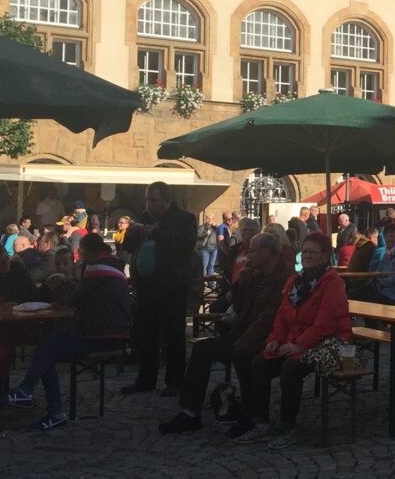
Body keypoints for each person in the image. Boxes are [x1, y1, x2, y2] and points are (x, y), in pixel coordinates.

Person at [159, 233, 288, 434]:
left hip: (268, 337)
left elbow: (269, 317)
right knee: (202, 349)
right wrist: (241, 282)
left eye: (252, 251)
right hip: (245, 332)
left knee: (243, 353)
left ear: (266, 252)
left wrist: (243, 340)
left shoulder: (282, 278)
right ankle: (190, 412)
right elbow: (238, 305)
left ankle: (251, 415)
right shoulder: (256, 275)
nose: (248, 256)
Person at [2, 234, 130, 429]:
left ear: (85, 251)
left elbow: (74, 299)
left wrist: (58, 289)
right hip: (114, 332)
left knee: (46, 350)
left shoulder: (96, 268)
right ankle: (35, 398)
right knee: (48, 348)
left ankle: (40, 400)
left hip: (102, 334)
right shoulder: (112, 266)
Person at [236, 233, 351, 449]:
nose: (306, 255)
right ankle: (259, 422)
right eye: (304, 251)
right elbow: (282, 316)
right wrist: (275, 339)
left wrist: (300, 344)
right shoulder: (295, 281)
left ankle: (288, 425)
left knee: (291, 368)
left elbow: (325, 323)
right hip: (295, 338)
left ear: (325, 255)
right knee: (260, 362)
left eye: (312, 252)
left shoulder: (331, 282)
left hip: (325, 342)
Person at [123, 181, 197, 395]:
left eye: (153, 200)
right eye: (147, 199)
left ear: (166, 200)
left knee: (173, 333)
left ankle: (174, 381)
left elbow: (184, 246)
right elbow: (128, 247)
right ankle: (146, 379)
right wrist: (134, 232)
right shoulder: (144, 217)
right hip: (147, 284)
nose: (149, 204)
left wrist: (155, 233)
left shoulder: (184, 219)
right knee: (146, 333)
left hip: (171, 284)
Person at [196, 213, 218, 277]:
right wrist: (205, 234)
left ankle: (211, 283)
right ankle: (203, 281)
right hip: (205, 249)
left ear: (213, 219)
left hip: (214, 248)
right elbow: (197, 235)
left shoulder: (215, 227)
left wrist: (216, 226)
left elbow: (220, 231)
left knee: (211, 266)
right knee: (204, 266)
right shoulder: (202, 227)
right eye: (208, 218)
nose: (209, 220)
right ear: (206, 219)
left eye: (211, 219)